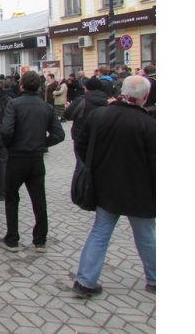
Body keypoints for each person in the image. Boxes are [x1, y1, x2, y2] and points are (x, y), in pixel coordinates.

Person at [72, 76, 156, 298]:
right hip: (140, 192)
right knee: (146, 235)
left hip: (105, 187)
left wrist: (93, 166)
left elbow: (80, 144)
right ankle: (155, 278)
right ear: (145, 97)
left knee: (100, 233)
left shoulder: (99, 115)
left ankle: (85, 282)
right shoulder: (148, 124)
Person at [0, 71, 65, 253]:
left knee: (11, 198)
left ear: (22, 86)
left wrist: (9, 145)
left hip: (17, 158)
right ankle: (40, 240)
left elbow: (6, 130)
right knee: (39, 199)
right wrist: (42, 144)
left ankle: (12, 238)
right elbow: (59, 135)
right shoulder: (46, 107)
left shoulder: (14, 104)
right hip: (36, 159)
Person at [64, 78, 108, 173]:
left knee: (81, 165)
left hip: (81, 136)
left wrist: (68, 107)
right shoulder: (108, 101)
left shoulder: (82, 100)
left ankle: (82, 185)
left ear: (86, 88)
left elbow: (68, 115)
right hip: (101, 135)